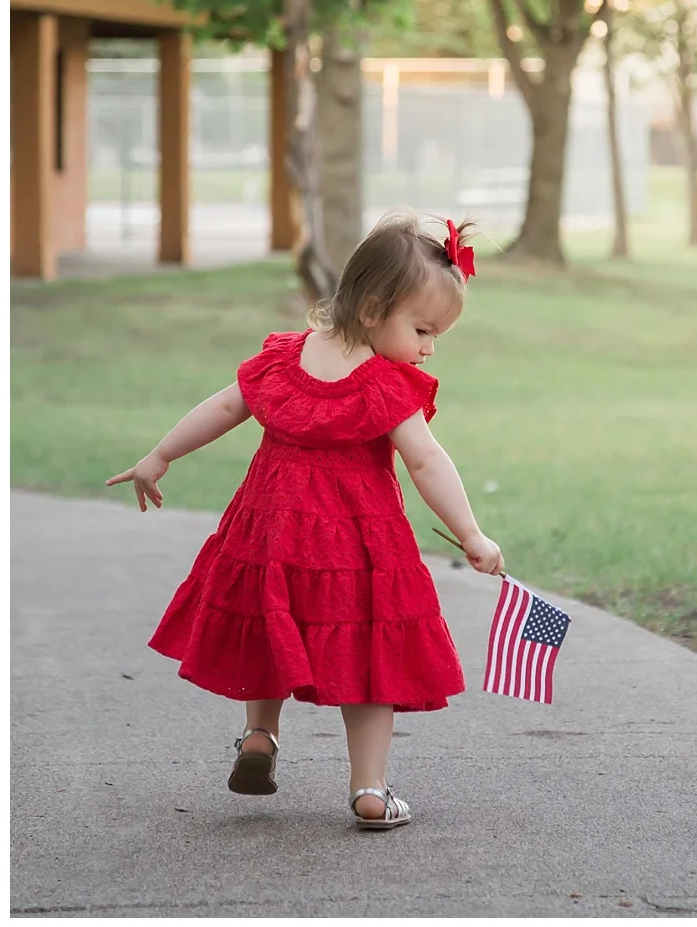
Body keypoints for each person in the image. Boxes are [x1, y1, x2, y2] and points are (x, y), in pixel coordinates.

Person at [114, 213, 503, 831]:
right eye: (424, 330)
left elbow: (223, 405)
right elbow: (426, 459)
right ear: (375, 309)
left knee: (273, 626)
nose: (430, 347)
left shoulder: (284, 359)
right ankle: (370, 789)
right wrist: (473, 532)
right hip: (357, 541)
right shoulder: (383, 385)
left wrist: (160, 456)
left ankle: (259, 736)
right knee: (370, 653)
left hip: (269, 533)